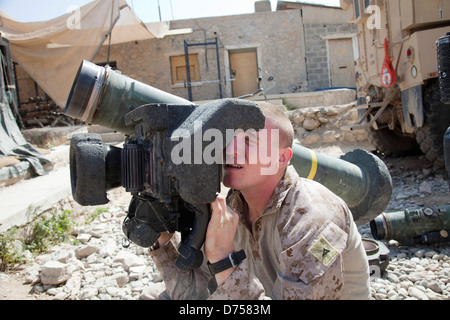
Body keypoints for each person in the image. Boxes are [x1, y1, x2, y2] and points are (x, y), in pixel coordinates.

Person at [149, 101, 371, 300]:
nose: (231, 150)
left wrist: (223, 260)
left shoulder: (312, 217)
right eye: (229, 138)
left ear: (281, 158)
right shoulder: (233, 207)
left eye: (249, 141)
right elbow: (197, 294)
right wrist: (163, 242)